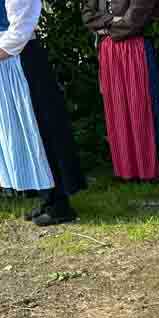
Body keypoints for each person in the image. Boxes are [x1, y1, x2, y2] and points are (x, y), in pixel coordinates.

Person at [0, 0, 86, 226]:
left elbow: (21, 30)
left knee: (41, 129)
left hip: (21, 61)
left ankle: (60, 204)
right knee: (22, 132)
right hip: (7, 65)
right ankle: (47, 197)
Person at [82, 0, 159, 183]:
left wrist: (105, 27)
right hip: (110, 53)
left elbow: (134, 21)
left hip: (135, 50)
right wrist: (114, 21)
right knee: (119, 110)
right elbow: (88, 16)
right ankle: (129, 169)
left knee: (143, 109)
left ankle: (158, 169)